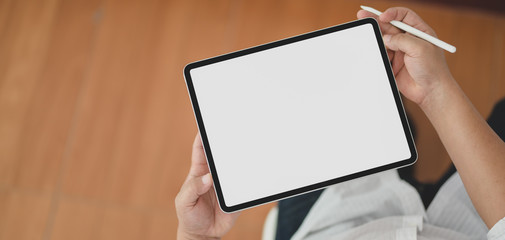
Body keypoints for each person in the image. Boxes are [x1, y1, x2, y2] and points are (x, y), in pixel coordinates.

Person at [175, 7, 505, 240]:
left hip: (331, 219)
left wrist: (196, 236)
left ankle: (405, 124)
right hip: (470, 224)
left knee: (384, 112)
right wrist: (436, 92)